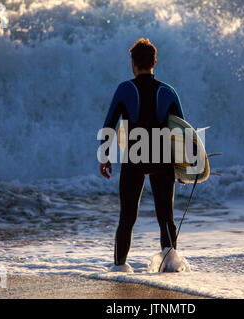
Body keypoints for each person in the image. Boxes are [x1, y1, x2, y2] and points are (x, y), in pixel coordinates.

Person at [99, 38, 185, 272]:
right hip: (162, 157)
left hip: (134, 158)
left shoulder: (125, 89)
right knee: (166, 217)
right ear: (154, 62)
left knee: (127, 217)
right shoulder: (168, 91)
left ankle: (118, 267)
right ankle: (170, 267)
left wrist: (104, 156)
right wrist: (183, 167)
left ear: (134, 62)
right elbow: (182, 131)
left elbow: (109, 125)